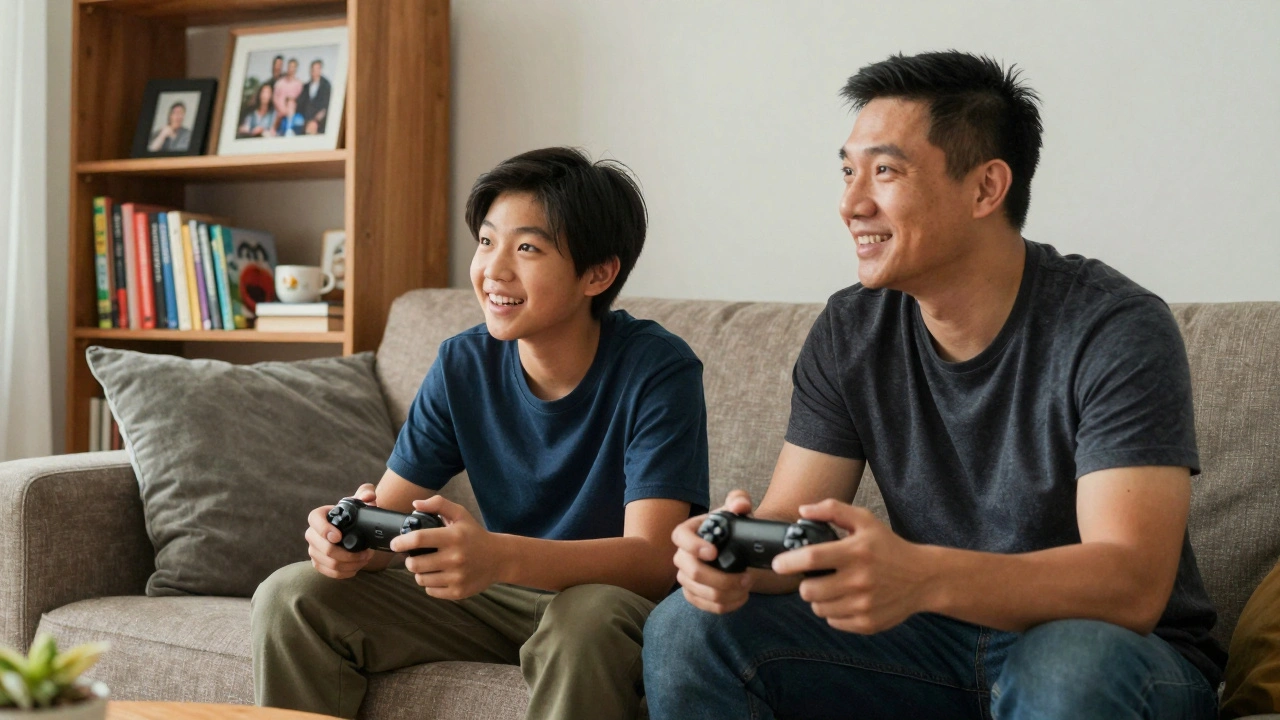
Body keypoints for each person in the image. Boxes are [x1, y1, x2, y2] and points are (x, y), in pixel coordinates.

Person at [643, 50, 1226, 720]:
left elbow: (1130, 585)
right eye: (847, 171)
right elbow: (791, 519)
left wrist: (918, 574)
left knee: (1066, 666)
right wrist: (728, 550)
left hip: (1119, 653)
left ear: (985, 188)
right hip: (933, 647)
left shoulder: (1114, 328)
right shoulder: (852, 329)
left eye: (885, 171)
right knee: (687, 630)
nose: (850, 204)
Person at [251, 147, 710, 720]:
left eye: (527, 248)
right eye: (488, 242)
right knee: (293, 595)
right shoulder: (462, 364)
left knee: (584, 622)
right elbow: (389, 520)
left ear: (599, 273)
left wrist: (496, 558)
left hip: (609, 604)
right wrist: (349, 543)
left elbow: (651, 561)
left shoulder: (658, 369)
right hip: (497, 598)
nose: (493, 270)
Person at [295, 59, 332, 134]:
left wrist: (316, 121)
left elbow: (326, 106)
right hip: (306, 122)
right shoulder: (306, 87)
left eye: (316, 69)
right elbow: (301, 105)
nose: (314, 71)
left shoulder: (326, 86)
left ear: (320, 70)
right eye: (312, 69)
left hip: (320, 123)